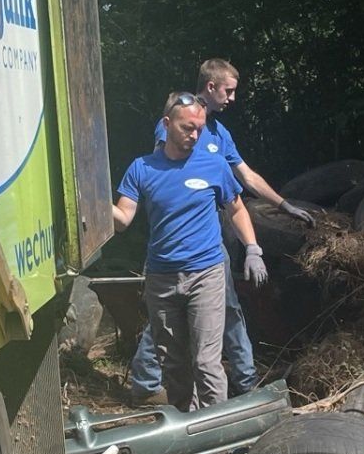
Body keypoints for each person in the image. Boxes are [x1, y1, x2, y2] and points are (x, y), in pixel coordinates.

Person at [129, 58, 309, 402]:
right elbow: (162, 176)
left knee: (228, 309)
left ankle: (243, 381)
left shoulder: (219, 133)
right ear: (210, 87)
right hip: (177, 244)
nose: (232, 98)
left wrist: (282, 204)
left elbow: (245, 177)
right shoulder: (176, 124)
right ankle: (148, 383)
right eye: (228, 90)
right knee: (172, 320)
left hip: (212, 243)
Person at [112, 93, 267, 413]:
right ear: (167, 125)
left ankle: (216, 438)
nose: (195, 135)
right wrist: (96, 203)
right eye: (187, 128)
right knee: (175, 367)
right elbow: (123, 219)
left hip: (206, 274)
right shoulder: (142, 168)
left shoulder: (213, 165)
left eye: (199, 128)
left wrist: (253, 248)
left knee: (206, 362)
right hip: (162, 278)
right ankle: (189, 431)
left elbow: (236, 208)